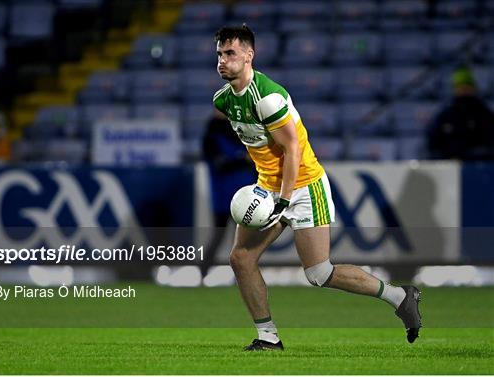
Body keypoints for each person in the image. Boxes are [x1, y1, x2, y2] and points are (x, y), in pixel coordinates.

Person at [212, 25, 422, 351]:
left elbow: (293, 149)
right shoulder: (224, 100)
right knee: (241, 259)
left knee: (319, 273)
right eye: (220, 54)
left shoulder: (267, 97)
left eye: (231, 53)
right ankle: (268, 338)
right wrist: (268, 190)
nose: (223, 61)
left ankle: (399, 296)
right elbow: (260, 145)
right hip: (269, 189)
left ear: (249, 55)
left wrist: (282, 200)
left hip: (305, 187)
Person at [201, 110, 256, 277]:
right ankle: (203, 271)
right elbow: (220, 164)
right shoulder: (212, 137)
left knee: (242, 239)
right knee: (221, 235)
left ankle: (242, 276)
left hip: (244, 194)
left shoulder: (242, 132)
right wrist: (243, 160)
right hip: (224, 195)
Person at [427, 66, 494, 160]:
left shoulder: (484, 115)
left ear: (473, 88)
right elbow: (433, 143)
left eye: (466, 87)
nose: (463, 90)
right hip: (451, 166)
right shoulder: (446, 115)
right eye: (460, 87)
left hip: (478, 166)